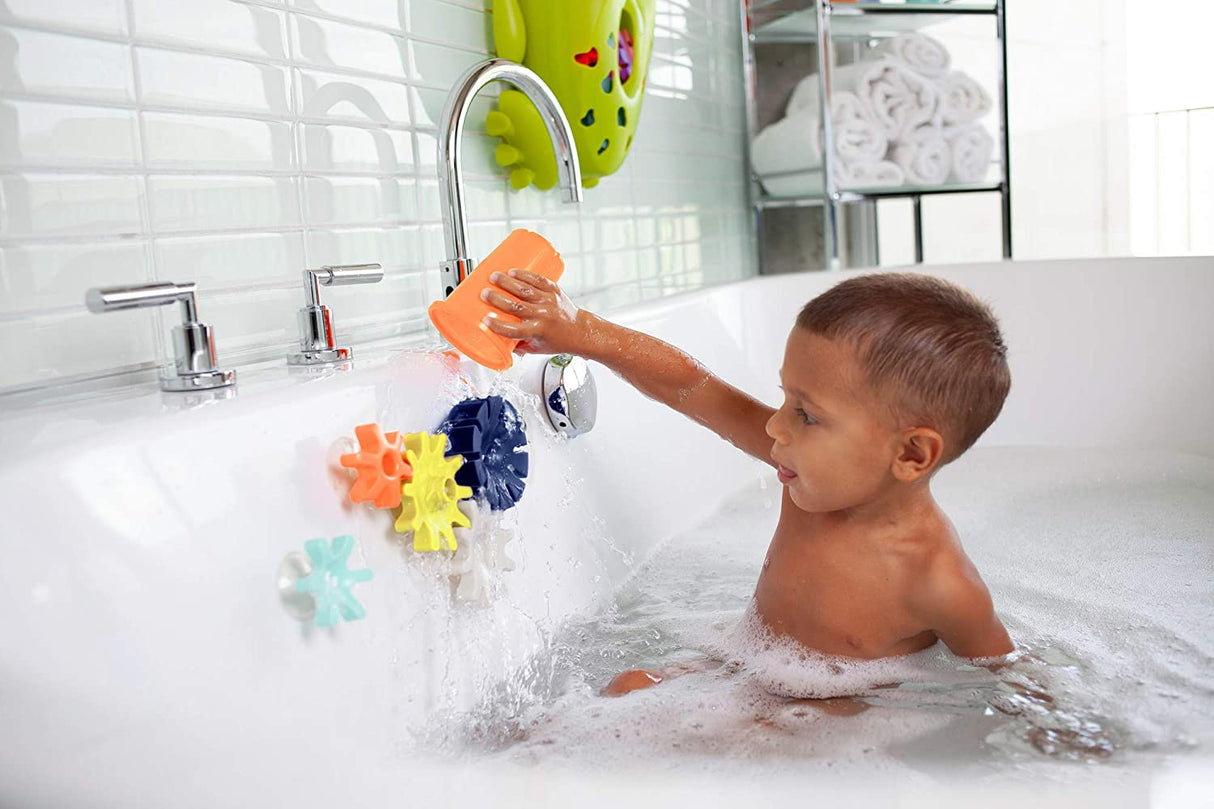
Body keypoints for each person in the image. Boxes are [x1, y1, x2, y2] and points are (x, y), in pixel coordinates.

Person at [480, 269, 1015, 697]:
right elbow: (693, 387)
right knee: (628, 686)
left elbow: (1007, 674)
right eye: (786, 398)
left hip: (836, 722)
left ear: (911, 453)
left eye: (806, 414)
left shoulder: (938, 581)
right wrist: (585, 332)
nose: (777, 426)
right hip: (750, 667)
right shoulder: (810, 474)